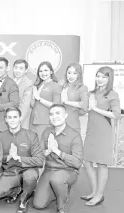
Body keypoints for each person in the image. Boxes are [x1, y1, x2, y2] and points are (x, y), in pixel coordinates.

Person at [81, 66, 121, 206]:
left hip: (104, 132)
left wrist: (96, 108)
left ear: (109, 79)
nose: (99, 79)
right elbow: (85, 109)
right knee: (86, 161)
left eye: (103, 77)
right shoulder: (92, 93)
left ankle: (99, 195)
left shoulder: (113, 94)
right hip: (91, 131)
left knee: (102, 164)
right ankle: (94, 191)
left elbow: (116, 115)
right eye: (98, 76)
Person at [33, 104, 83, 213]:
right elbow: (39, 152)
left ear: (65, 115)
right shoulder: (46, 131)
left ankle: (61, 207)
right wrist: (46, 152)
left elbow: (78, 163)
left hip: (68, 170)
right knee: (38, 204)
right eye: (51, 114)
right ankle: (57, 190)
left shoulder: (74, 135)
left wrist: (57, 151)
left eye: (57, 113)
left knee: (57, 179)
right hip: (49, 169)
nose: (54, 116)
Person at [0, 107, 44, 213]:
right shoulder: (0, 137)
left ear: (20, 118)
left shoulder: (31, 135)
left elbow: (39, 160)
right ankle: (17, 190)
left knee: (30, 177)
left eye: (15, 117)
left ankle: (24, 200)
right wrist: (8, 157)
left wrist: (19, 158)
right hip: (11, 171)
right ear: (5, 119)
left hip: (28, 170)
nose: (12, 120)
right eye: (9, 117)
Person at [30, 61, 61, 139]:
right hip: (33, 121)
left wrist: (39, 99)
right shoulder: (38, 85)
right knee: (33, 148)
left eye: (45, 70)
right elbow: (33, 104)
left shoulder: (56, 86)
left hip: (45, 122)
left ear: (51, 72)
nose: (43, 73)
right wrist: (33, 98)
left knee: (42, 147)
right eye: (40, 71)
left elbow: (56, 105)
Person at [60, 63, 89, 134]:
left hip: (72, 125)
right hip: (58, 124)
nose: (71, 76)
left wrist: (66, 102)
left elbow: (85, 105)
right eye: (69, 73)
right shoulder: (61, 85)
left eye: (74, 73)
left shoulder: (82, 88)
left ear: (79, 74)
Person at [11, 59, 33, 129]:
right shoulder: (11, 81)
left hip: (21, 121)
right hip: (10, 118)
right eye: (16, 68)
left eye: (21, 68)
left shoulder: (28, 83)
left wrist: (18, 122)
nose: (17, 71)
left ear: (26, 70)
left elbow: (25, 105)